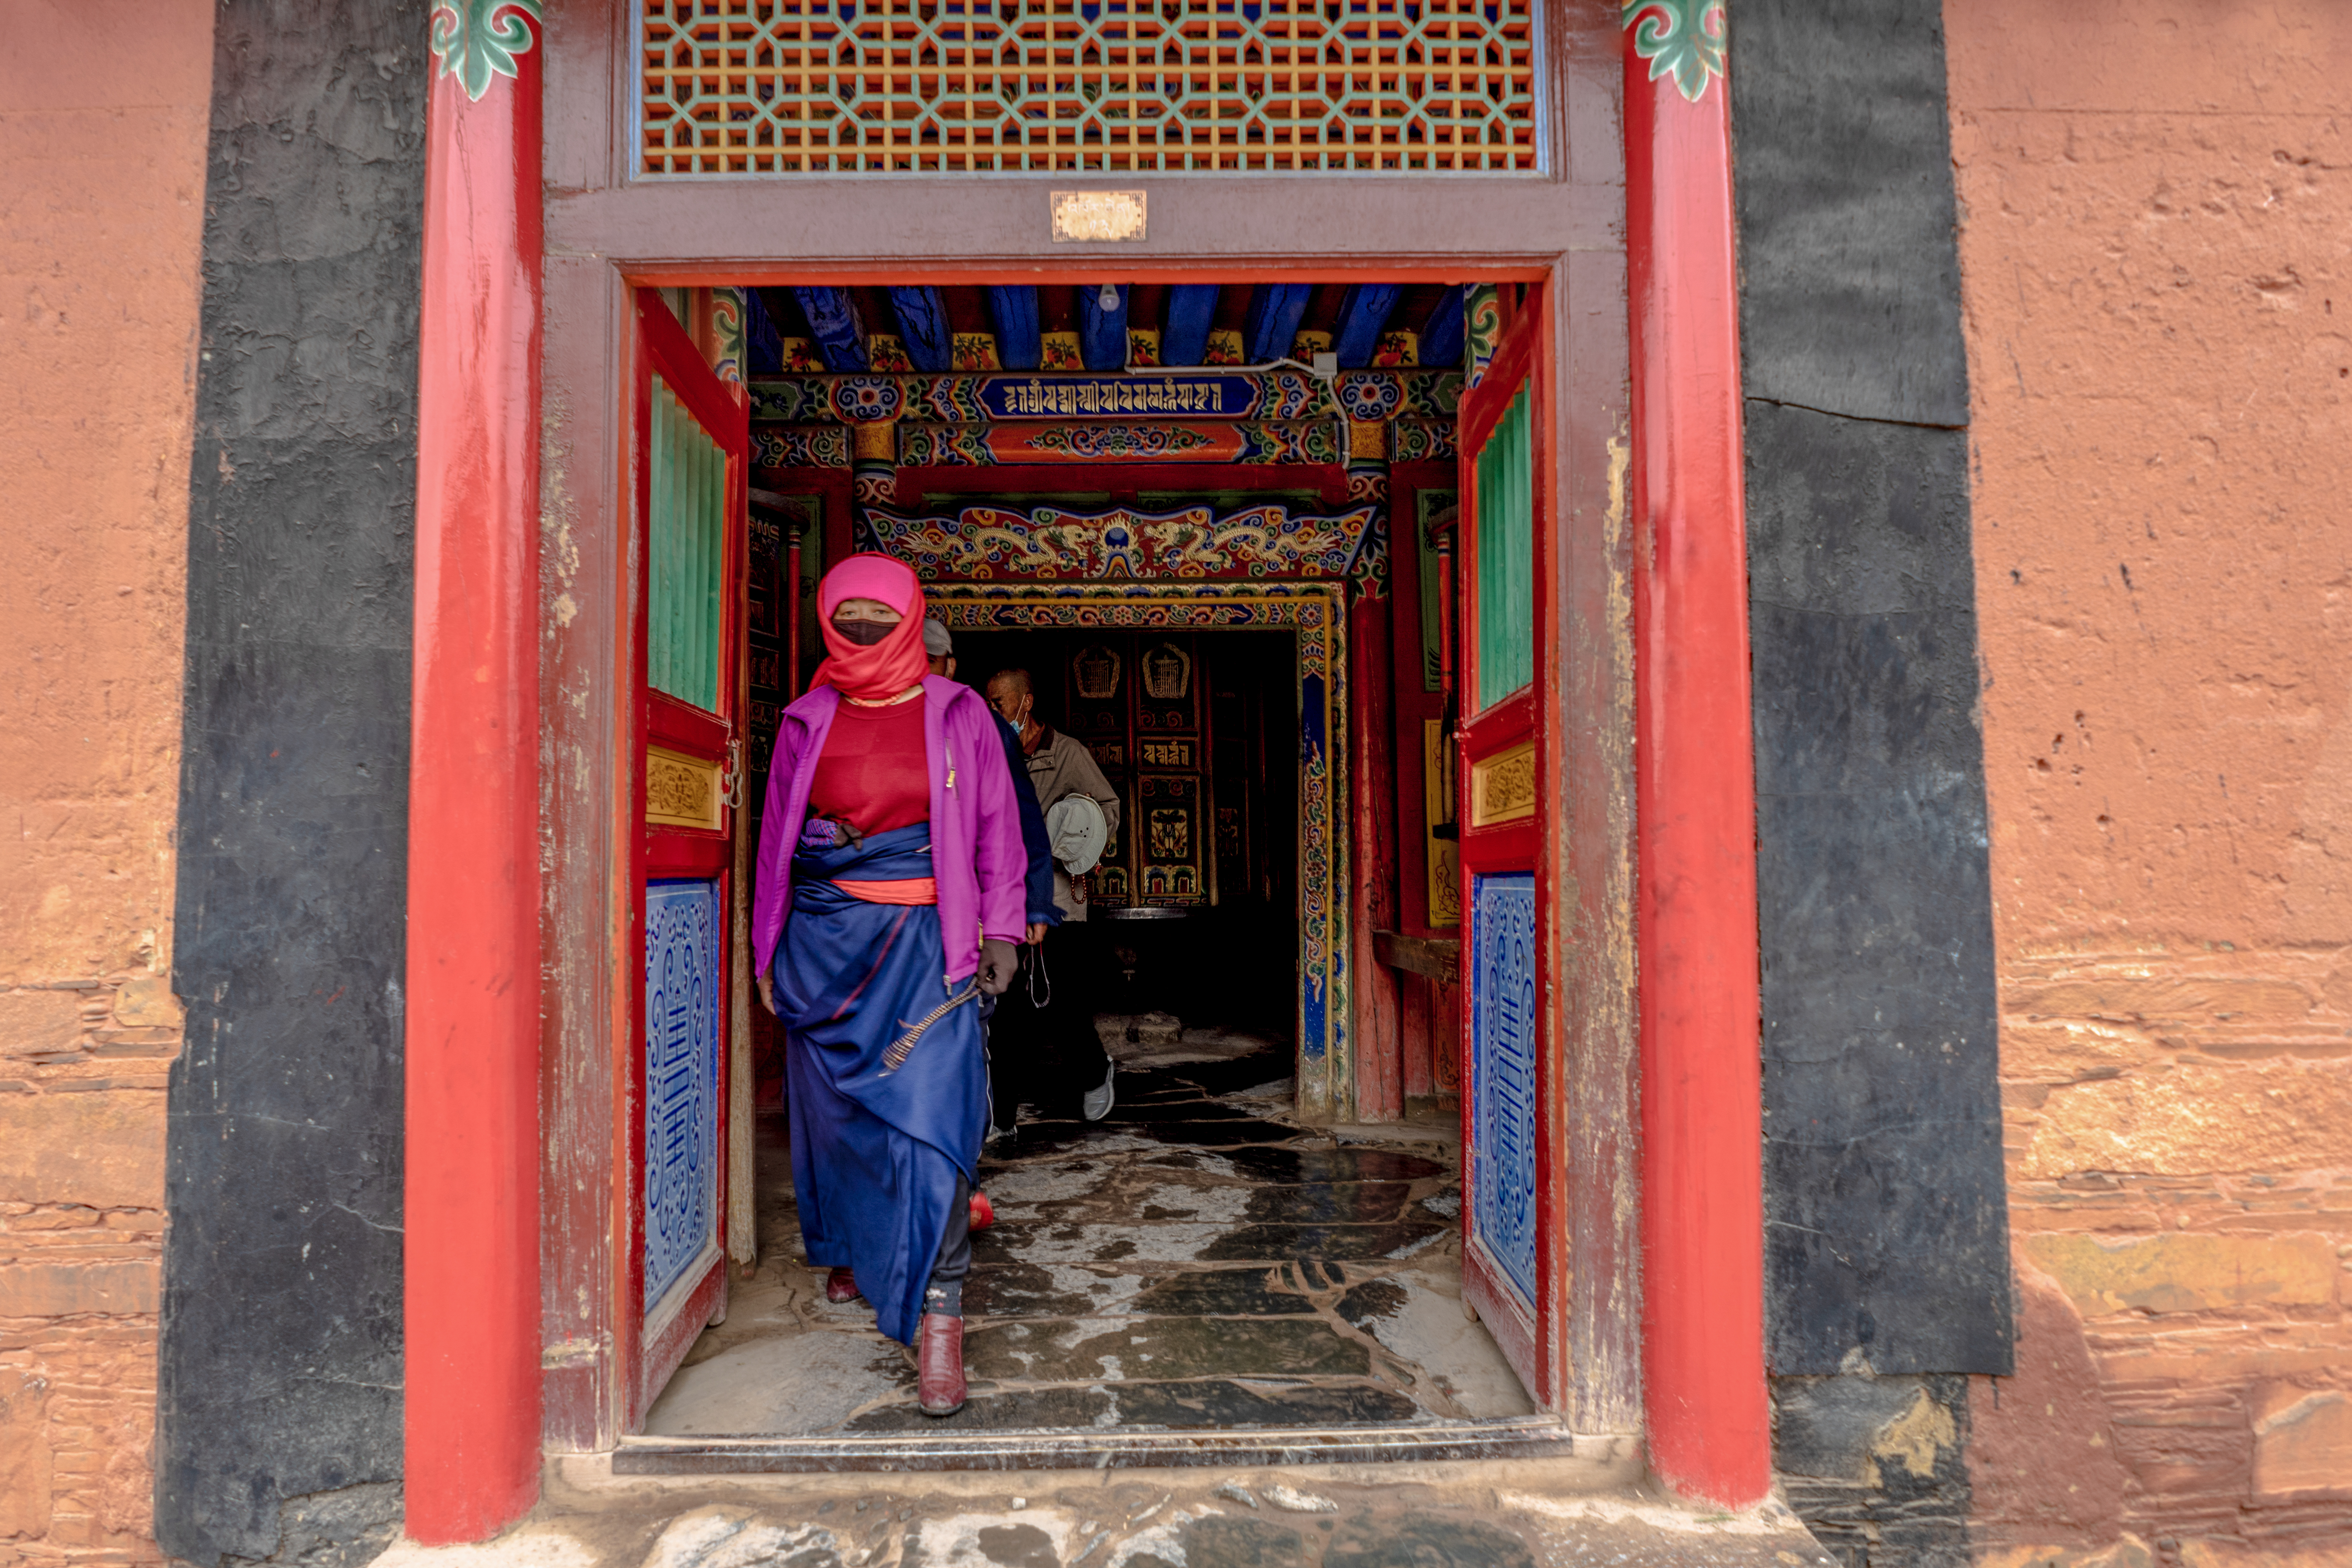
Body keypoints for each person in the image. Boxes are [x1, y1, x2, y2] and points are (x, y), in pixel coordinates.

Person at [751, 556, 1025, 1417]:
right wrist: (765, 949)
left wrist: (1005, 928)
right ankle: (851, 1253)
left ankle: (939, 1321)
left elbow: (995, 826)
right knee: (837, 1121)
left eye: (880, 615)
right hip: (825, 947)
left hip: (928, 946)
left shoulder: (962, 713)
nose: (863, 630)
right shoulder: (805, 716)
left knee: (933, 1130)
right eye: (848, 617)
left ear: (911, 619)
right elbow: (774, 842)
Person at [983, 666, 1122, 1128]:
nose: (994, 711)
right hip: (1007, 897)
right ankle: (1001, 1116)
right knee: (1005, 1011)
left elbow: (1107, 808)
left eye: (1000, 702)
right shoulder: (992, 752)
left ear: (1026, 702)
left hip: (1058, 897)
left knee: (1060, 1004)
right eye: (989, 702)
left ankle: (1094, 1071)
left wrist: (1075, 844)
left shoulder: (1067, 753)